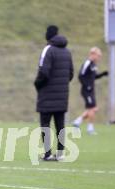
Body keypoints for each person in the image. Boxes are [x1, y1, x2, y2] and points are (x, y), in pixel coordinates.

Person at [34, 25, 74, 161]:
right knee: (60, 125)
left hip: (46, 95)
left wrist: (37, 84)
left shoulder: (48, 49)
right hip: (62, 96)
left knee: (45, 125)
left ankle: (47, 154)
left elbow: (43, 72)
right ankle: (61, 154)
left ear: (48, 35)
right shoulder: (67, 52)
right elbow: (70, 74)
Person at [72, 47, 108, 135]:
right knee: (92, 109)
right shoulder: (87, 63)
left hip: (91, 90)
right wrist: (86, 85)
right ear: (92, 54)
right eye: (98, 56)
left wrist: (103, 74)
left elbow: (94, 76)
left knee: (94, 109)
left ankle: (77, 121)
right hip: (86, 90)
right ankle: (90, 129)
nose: (99, 58)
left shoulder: (93, 65)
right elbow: (80, 75)